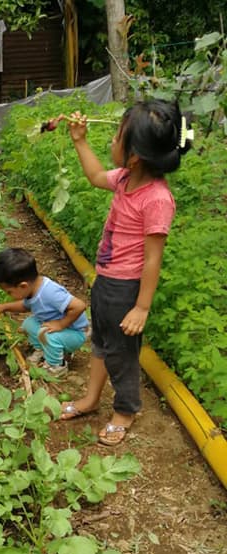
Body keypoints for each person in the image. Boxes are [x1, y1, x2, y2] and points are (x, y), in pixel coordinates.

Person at [58, 100, 192, 445]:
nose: (111, 141)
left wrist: (142, 307)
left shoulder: (157, 199)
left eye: (117, 136)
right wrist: (79, 140)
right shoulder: (125, 179)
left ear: (134, 155)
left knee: (122, 354)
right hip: (106, 281)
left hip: (126, 290)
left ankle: (125, 410)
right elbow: (93, 176)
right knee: (101, 344)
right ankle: (90, 399)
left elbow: (152, 260)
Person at [0, 247, 89, 377]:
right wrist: (4, 307)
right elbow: (25, 306)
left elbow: (79, 306)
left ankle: (57, 366)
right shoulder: (32, 289)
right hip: (61, 329)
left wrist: (61, 324)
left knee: (47, 335)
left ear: (23, 285)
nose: (9, 295)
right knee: (29, 323)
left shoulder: (50, 292)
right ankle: (43, 350)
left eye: (9, 292)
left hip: (76, 333)